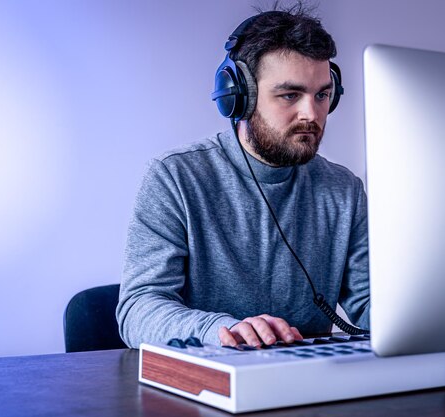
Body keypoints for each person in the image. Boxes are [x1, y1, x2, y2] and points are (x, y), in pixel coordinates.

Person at [116, 5, 369, 349]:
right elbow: (138, 310)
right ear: (240, 97)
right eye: (290, 95)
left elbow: (372, 305)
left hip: (308, 384)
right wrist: (222, 330)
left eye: (322, 95)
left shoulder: (344, 191)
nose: (311, 113)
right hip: (206, 379)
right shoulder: (175, 177)